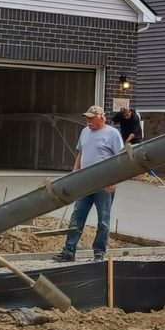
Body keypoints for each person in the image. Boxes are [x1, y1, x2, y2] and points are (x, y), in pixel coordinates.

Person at [55, 105, 124, 262]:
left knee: (103, 220)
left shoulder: (112, 134)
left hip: (104, 185)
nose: (88, 121)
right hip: (85, 184)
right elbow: (80, 153)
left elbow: (120, 160)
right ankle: (69, 251)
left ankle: (99, 252)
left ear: (101, 117)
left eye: (91, 118)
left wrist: (114, 181)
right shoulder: (85, 132)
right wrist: (74, 174)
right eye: (86, 118)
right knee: (77, 216)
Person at [112, 100, 161, 181]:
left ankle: (152, 174)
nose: (125, 116)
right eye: (123, 115)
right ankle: (129, 173)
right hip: (125, 137)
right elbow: (113, 120)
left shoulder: (135, 117)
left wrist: (126, 142)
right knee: (127, 156)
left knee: (141, 155)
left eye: (126, 114)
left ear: (129, 111)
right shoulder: (121, 115)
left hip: (136, 138)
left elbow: (133, 133)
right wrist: (112, 128)